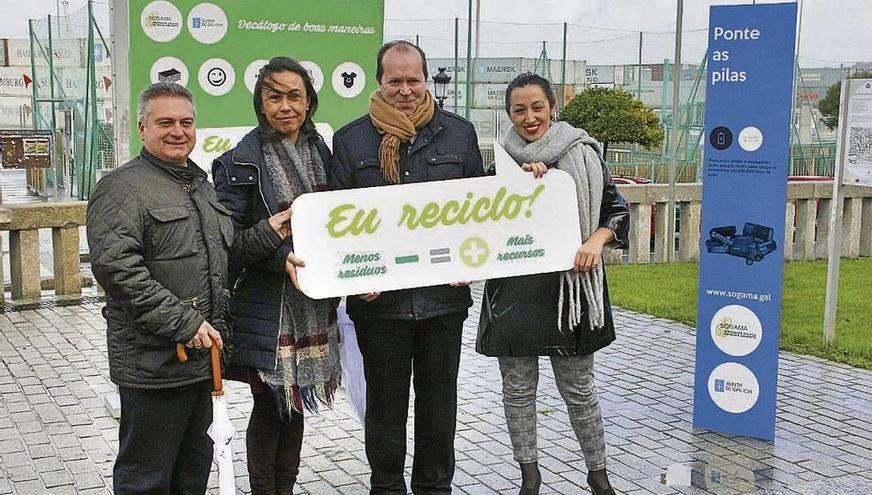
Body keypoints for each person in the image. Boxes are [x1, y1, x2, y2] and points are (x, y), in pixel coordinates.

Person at [328, 40, 484, 494]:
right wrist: (356, 278)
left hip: (442, 300)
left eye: (413, 80)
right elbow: (338, 221)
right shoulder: (351, 139)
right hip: (380, 306)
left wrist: (473, 260)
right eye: (394, 81)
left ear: (425, 78)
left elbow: (480, 212)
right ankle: (387, 487)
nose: (405, 90)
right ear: (379, 81)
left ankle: (435, 488)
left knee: (439, 410)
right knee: (384, 410)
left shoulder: (460, 134)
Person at [476, 73, 629, 495]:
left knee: (579, 391)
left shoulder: (583, 153)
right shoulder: (499, 164)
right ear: (508, 113)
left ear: (552, 107)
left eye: (537, 107)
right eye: (519, 110)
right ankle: (530, 476)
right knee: (518, 391)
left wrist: (595, 241)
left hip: (571, 292)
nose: (529, 118)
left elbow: (616, 210)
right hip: (514, 295)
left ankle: (598, 476)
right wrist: (522, 185)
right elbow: (481, 223)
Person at [86, 82, 232, 495]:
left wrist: (272, 237)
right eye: (165, 122)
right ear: (142, 127)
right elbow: (118, 270)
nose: (177, 131)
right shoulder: (121, 187)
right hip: (153, 366)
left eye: (186, 122)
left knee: (192, 474)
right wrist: (184, 323)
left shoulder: (199, 185)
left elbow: (224, 254)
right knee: (146, 479)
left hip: (202, 364)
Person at [212, 56, 341, 495]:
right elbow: (226, 245)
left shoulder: (322, 152)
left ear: (308, 102)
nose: (285, 105)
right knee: (270, 406)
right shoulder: (239, 162)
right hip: (270, 309)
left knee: (295, 407)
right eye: (274, 96)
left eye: (294, 96)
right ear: (260, 103)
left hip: (315, 302)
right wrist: (275, 253)